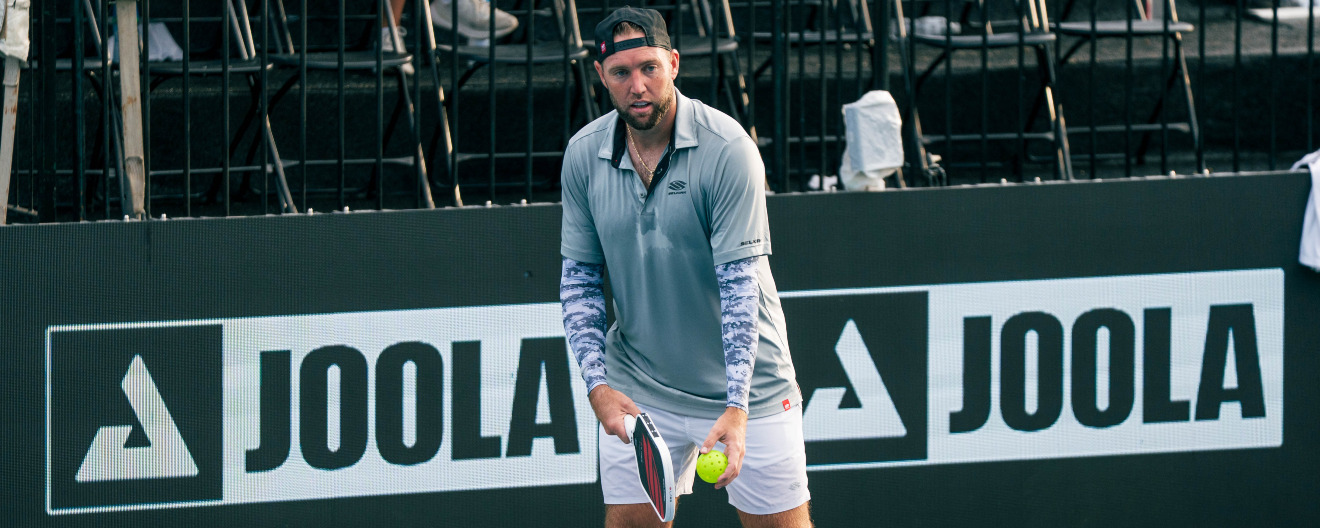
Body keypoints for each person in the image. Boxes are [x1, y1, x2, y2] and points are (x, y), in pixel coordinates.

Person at [559, 7, 812, 528]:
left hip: (748, 391)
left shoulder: (729, 151)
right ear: (601, 77)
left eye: (650, 67)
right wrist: (598, 388)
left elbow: (740, 287)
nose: (638, 85)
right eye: (621, 73)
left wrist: (737, 408)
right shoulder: (584, 155)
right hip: (641, 384)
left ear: (674, 63)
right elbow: (579, 282)